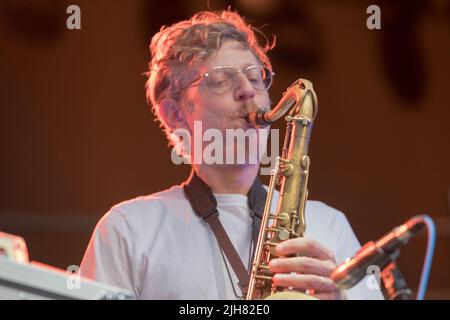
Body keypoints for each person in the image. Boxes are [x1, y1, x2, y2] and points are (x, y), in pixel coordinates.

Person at [80, 9, 383, 300]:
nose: (248, 91)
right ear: (174, 113)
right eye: (221, 79)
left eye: (255, 78)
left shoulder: (329, 225)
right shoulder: (129, 228)